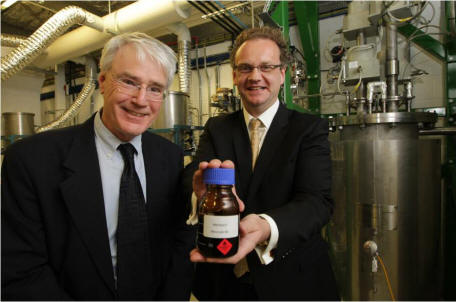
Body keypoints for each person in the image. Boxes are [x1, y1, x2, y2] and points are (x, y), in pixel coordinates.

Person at [1, 32, 194, 300]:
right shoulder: (31, 160)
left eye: (154, 89)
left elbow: (177, 241)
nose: (141, 100)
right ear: (102, 81)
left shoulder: (170, 156)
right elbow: (21, 269)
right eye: (129, 82)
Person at [185, 26, 339, 300]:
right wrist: (199, 194)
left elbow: (317, 202)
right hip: (224, 283)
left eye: (266, 67)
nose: (255, 77)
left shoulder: (308, 129)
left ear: (282, 74)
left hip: (292, 281)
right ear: (234, 75)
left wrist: (267, 226)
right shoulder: (217, 128)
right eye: (246, 68)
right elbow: (196, 175)